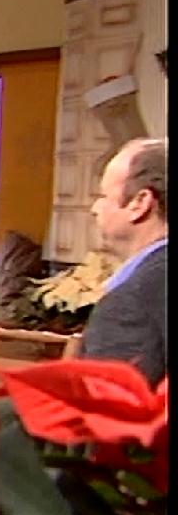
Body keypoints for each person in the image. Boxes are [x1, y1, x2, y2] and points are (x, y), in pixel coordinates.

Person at [81, 137, 167, 386]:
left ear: (140, 203)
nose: (95, 208)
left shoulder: (134, 300)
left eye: (103, 195)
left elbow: (109, 403)